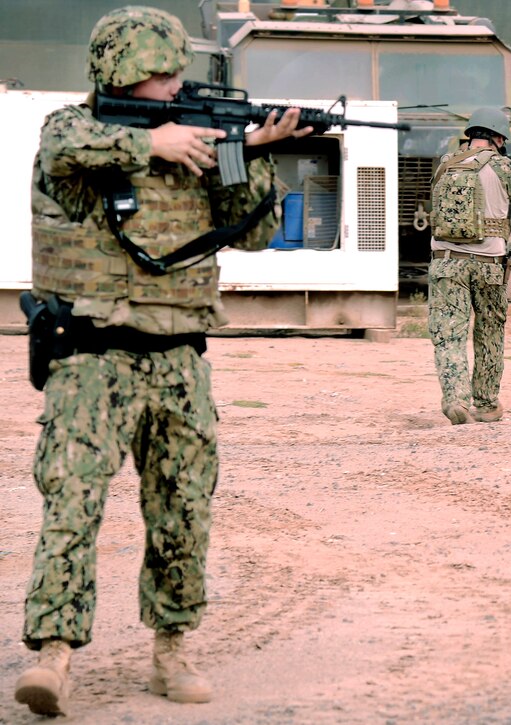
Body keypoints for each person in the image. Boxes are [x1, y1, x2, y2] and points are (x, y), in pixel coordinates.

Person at [14, 6, 310, 716]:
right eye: (156, 74)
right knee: (73, 503)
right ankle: (54, 656)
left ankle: (170, 649)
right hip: (89, 356)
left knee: (182, 510)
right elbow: (67, 144)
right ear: (116, 71)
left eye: (177, 71)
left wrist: (251, 152)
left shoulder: (200, 142)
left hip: (178, 357)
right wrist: (155, 145)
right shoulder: (73, 130)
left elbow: (256, 233)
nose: (173, 84)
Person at [427, 108, 511, 424]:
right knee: (489, 332)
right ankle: (487, 404)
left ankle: (456, 400)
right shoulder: (504, 166)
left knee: (449, 335)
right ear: (499, 137)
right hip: (490, 265)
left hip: (446, 264)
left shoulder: (444, 166)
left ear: (471, 134)